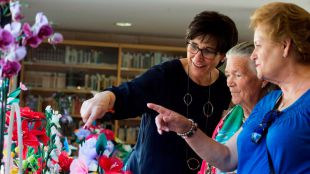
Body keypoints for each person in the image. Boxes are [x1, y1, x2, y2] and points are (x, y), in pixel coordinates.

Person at [147, 2, 310, 174]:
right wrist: (185, 127)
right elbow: (227, 157)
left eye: (259, 45)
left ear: (285, 46)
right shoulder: (270, 102)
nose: (254, 55)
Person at [80, 11, 238, 174]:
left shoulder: (225, 87)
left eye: (208, 51)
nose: (197, 57)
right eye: (194, 46)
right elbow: (129, 93)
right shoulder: (165, 74)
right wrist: (104, 98)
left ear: (223, 56)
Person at [197, 42, 277, 174]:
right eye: (228, 75)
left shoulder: (276, 118)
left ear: (263, 79)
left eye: (237, 75)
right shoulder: (230, 117)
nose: (229, 82)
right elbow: (207, 165)